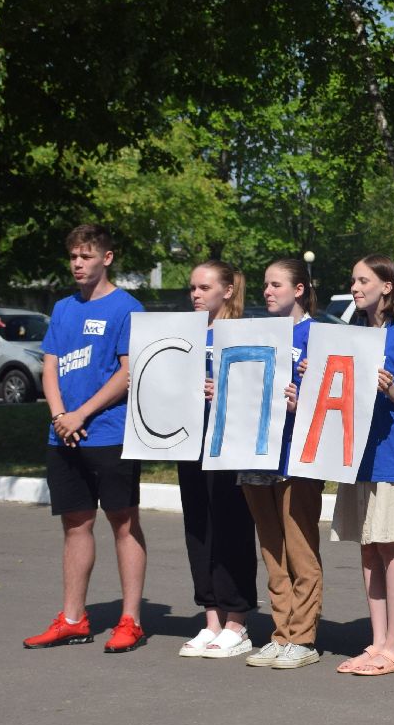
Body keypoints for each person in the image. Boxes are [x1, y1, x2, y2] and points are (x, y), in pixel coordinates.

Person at [23, 223, 148, 653]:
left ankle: (130, 620)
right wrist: (60, 415)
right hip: (64, 436)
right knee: (75, 525)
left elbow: (128, 373)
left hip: (110, 433)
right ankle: (73, 618)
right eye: (73, 256)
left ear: (106, 259)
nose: (78, 264)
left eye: (87, 256)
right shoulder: (62, 309)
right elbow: (50, 367)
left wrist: (82, 413)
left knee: (124, 523)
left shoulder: (128, 308)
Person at [332, 254, 394, 677]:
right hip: (357, 456)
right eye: (352, 280)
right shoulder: (352, 335)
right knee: (368, 547)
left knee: (391, 545)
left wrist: (391, 391)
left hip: (392, 455)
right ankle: (379, 640)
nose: (354, 287)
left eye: (363, 279)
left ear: (387, 285)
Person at [239, 259, 325, 671]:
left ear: (300, 289)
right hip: (255, 454)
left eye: (276, 284)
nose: (267, 291)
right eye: (265, 284)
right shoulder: (254, 334)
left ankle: (304, 637)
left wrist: (303, 398)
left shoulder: (318, 335)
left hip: (298, 456)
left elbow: (334, 397)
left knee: (299, 546)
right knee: (271, 548)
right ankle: (280, 633)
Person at [176, 261, 259, 659]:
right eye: (192, 287)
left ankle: (237, 621)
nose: (195, 294)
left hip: (228, 443)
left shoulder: (242, 333)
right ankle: (211, 618)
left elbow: (259, 389)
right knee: (198, 527)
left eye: (203, 287)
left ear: (226, 291)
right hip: (187, 441)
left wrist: (223, 389)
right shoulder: (182, 336)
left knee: (231, 527)